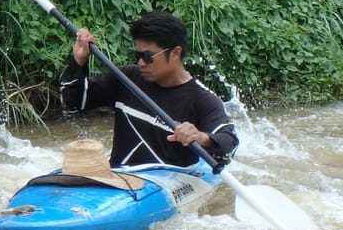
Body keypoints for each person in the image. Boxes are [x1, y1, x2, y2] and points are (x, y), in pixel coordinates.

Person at [59, 10, 238, 169]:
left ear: (175, 53)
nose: (141, 63)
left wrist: (201, 137)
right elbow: (72, 102)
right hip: (120, 182)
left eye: (147, 56)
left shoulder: (201, 99)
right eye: (138, 56)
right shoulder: (127, 78)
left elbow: (229, 145)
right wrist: (78, 61)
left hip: (168, 183)